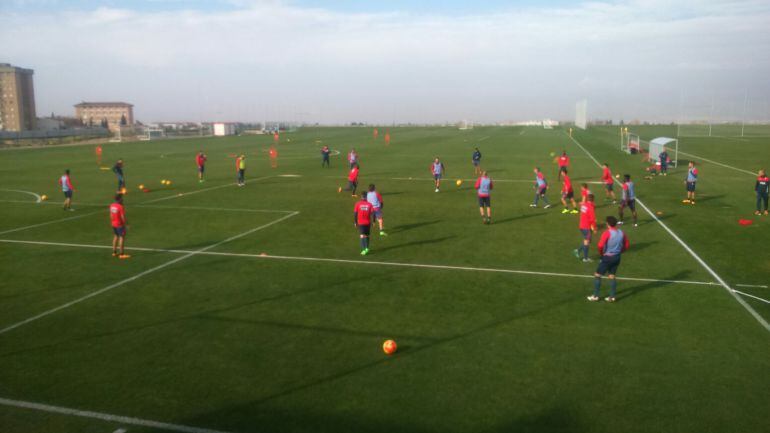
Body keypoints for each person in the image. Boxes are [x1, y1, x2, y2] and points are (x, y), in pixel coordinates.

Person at [587, 216, 629, 303]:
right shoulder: (621, 232)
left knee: (597, 275)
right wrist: (621, 251)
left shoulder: (607, 233)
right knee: (612, 276)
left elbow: (600, 245)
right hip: (617, 257)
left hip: (608, 257)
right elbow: (627, 245)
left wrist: (601, 254)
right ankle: (612, 297)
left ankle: (595, 296)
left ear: (608, 224)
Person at [573, 193, 597, 262]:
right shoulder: (590, 207)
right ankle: (585, 258)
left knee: (587, 240)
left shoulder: (584, 205)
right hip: (587, 227)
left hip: (581, 225)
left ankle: (577, 251)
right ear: (593, 200)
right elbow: (593, 220)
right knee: (587, 241)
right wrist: (594, 229)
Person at [110, 193, 130, 259]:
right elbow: (123, 217)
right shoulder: (120, 207)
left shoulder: (112, 205)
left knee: (115, 236)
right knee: (122, 237)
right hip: (119, 224)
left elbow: (111, 215)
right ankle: (121, 254)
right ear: (119, 199)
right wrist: (126, 224)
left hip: (113, 223)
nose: (123, 199)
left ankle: (114, 252)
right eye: (122, 198)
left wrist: (113, 222)